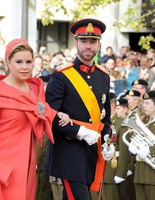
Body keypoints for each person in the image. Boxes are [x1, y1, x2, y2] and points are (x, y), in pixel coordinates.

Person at [0, 38, 71, 200]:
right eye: (19, 62)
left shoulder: (35, 89)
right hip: (0, 167)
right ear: (8, 62)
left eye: (28, 62)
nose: (25, 67)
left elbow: (40, 110)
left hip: (27, 166)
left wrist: (57, 114)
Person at [44, 18, 114, 200]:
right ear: (76, 42)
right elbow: (49, 115)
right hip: (69, 152)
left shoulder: (103, 77)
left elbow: (105, 117)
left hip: (92, 152)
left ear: (99, 44)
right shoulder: (61, 76)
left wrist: (107, 139)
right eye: (83, 41)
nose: (88, 46)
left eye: (93, 41)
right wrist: (79, 131)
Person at [130, 90, 155, 200]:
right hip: (140, 172)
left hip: (152, 175)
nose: (144, 106)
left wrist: (150, 150)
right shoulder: (145, 123)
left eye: (147, 103)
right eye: (143, 103)